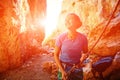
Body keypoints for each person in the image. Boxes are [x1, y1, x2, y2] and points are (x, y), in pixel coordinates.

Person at [54, 13, 88, 80]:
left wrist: (82, 60)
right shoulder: (61, 37)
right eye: (66, 19)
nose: (67, 21)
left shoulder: (83, 38)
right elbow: (56, 55)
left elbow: (86, 52)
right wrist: (62, 71)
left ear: (76, 22)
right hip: (63, 67)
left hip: (77, 68)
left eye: (70, 19)